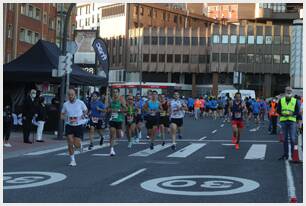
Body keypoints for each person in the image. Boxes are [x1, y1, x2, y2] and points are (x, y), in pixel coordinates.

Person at [61, 88, 88, 166]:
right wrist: (65, 118)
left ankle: (80, 145)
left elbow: (86, 110)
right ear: (67, 96)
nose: (70, 96)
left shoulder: (80, 103)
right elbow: (62, 114)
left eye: (72, 94)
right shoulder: (65, 104)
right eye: (69, 95)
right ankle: (72, 160)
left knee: (76, 144)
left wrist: (84, 115)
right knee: (70, 142)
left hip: (78, 125)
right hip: (69, 125)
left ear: (75, 95)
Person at [277, 87, 300, 160]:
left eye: (290, 90)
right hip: (283, 121)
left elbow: (297, 110)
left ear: (292, 92)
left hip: (292, 121)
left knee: (293, 139)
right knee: (285, 139)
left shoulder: (295, 100)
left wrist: (292, 113)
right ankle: (286, 155)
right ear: (285, 91)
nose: (289, 91)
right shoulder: (281, 100)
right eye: (287, 90)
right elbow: (278, 110)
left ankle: (293, 155)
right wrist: (282, 114)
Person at [108, 88, 126, 156]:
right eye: (114, 92)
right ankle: (111, 150)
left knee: (119, 136)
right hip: (112, 120)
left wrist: (118, 110)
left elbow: (125, 109)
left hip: (119, 120)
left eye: (116, 92)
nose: (115, 93)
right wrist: (110, 109)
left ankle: (121, 132)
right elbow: (108, 108)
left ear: (118, 93)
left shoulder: (121, 100)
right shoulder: (111, 100)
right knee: (112, 134)